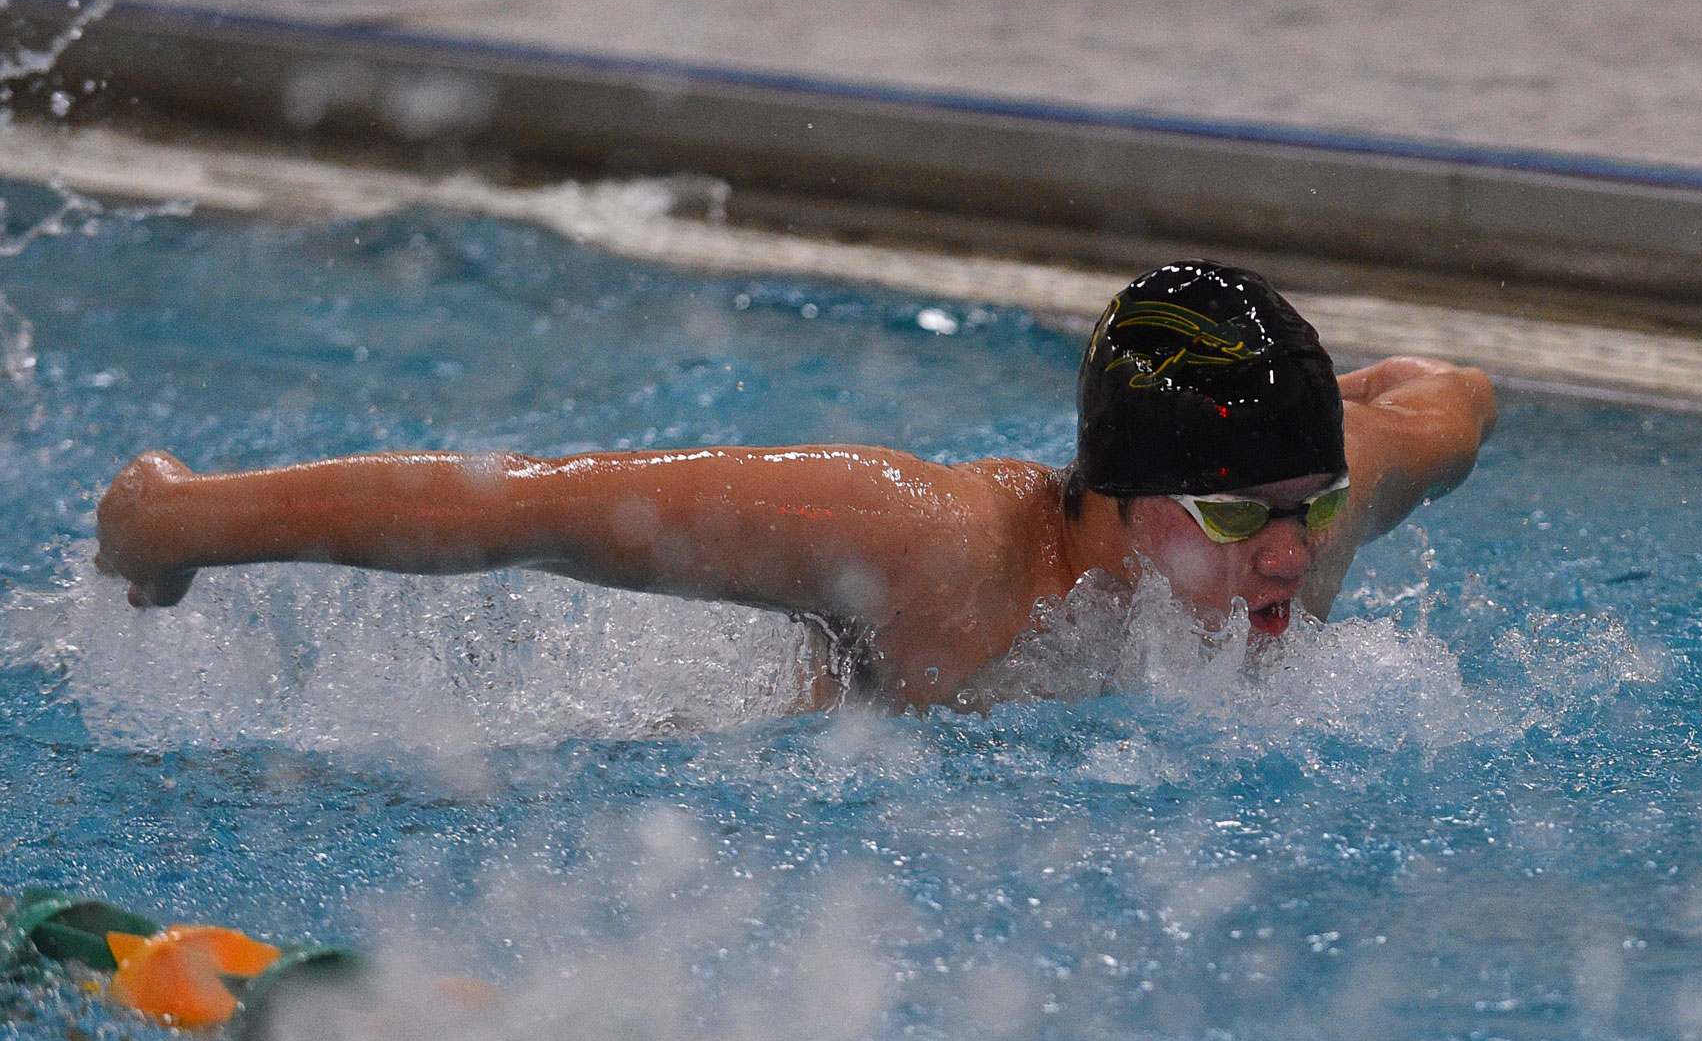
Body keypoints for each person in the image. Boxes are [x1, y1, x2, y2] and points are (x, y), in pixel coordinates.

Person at [94, 261, 1495, 712]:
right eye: (1241, 516)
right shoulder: (931, 550)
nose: (1289, 559)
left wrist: (1295, 414)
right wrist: (179, 524)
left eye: (1308, 502)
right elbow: (524, 503)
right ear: (1119, 496)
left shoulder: (1319, 514)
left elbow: (1456, 394)